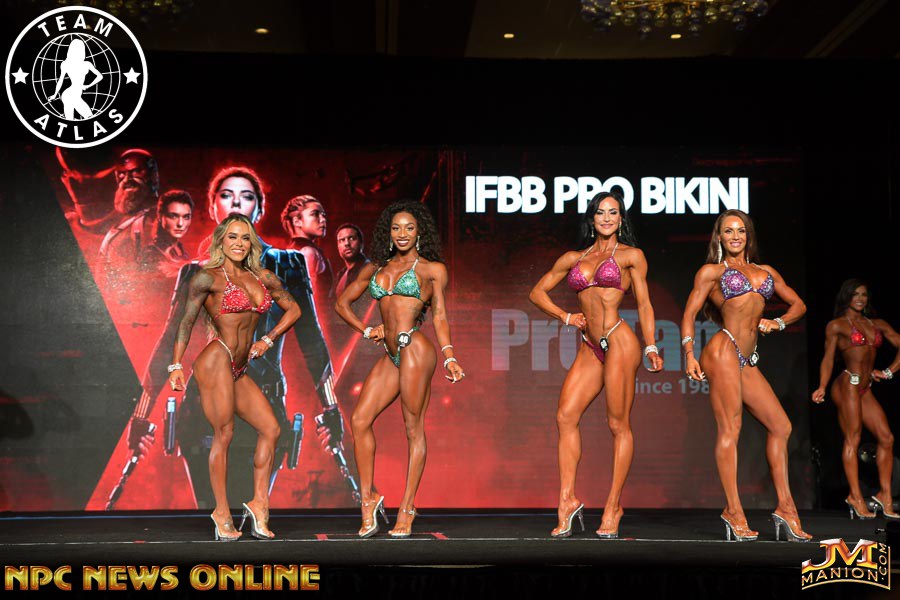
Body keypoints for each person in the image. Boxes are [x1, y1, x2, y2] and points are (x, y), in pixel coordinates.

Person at [121, 166, 358, 509]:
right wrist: (141, 415)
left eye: (246, 196)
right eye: (226, 195)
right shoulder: (196, 272)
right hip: (204, 406)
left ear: (259, 209)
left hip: (265, 401)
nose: (235, 203)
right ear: (213, 207)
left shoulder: (287, 265)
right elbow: (169, 342)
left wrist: (331, 408)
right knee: (212, 512)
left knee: (251, 511)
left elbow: (311, 340)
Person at [529, 191, 663, 539]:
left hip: (619, 341)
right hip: (590, 345)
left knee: (617, 424)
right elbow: (537, 292)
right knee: (565, 416)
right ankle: (567, 500)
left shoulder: (631, 256)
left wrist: (651, 345)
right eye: (600, 212)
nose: (606, 218)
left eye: (613, 212)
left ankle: (613, 505)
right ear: (592, 218)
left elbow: (645, 304)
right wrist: (565, 316)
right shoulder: (574, 258)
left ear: (621, 219)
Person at [335, 200, 464, 538]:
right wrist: (366, 331)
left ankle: (407, 508)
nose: (402, 233)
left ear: (419, 232)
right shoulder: (377, 269)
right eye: (396, 228)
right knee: (359, 420)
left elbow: (439, 316)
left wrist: (449, 356)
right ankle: (369, 499)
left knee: (413, 428)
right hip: (391, 353)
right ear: (388, 233)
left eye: (409, 227)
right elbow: (341, 304)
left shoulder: (432, 270)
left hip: (415, 349)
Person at [681, 209, 811, 542]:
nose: (735, 236)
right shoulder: (712, 271)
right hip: (723, 349)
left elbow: (799, 305)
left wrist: (778, 323)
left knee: (781, 426)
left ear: (748, 235)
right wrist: (689, 353)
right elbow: (690, 312)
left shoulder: (766, 272)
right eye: (728, 231)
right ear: (719, 237)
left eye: (740, 230)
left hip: (746, 359)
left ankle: (786, 508)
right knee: (731, 428)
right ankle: (733, 510)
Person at [168, 214, 299, 540]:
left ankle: (259, 504)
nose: (239, 243)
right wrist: (176, 365)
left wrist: (268, 339)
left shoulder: (263, 277)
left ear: (251, 243)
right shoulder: (207, 278)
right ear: (221, 241)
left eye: (244, 237)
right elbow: (185, 322)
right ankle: (222, 512)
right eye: (232, 237)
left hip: (239, 368)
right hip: (216, 360)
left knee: (271, 429)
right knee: (224, 433)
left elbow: (294, 310)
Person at [812, 279, 899, 519]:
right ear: (846, 297)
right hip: (847, 383)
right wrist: (821, 386)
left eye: (863, 294)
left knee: (887, 438)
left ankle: (885, 496)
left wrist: (889, 371)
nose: (860, 299)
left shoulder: (877, 324)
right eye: (855, 294)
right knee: (853, 437)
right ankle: (855, 496)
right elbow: (828, 358)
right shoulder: (837, 325)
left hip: (865, 387)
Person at [282, 195, 334, 306]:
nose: (323, 219)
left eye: (323, 215)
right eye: (315, 214)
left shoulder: (291, 250)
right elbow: (310, 298)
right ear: (297, 221)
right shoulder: (308, 252)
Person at [140, 189, 193, 270]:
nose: (180, 224)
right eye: (173, 216)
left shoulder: (180, 250)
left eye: (186, 217)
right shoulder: (151, 254)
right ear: (160, 216)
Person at [334, 223, 371, 299]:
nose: (347, 243)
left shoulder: (371, 270)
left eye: (351, 238)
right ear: (338, 246)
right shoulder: (340, 275)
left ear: (361, 243)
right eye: (342, 240)